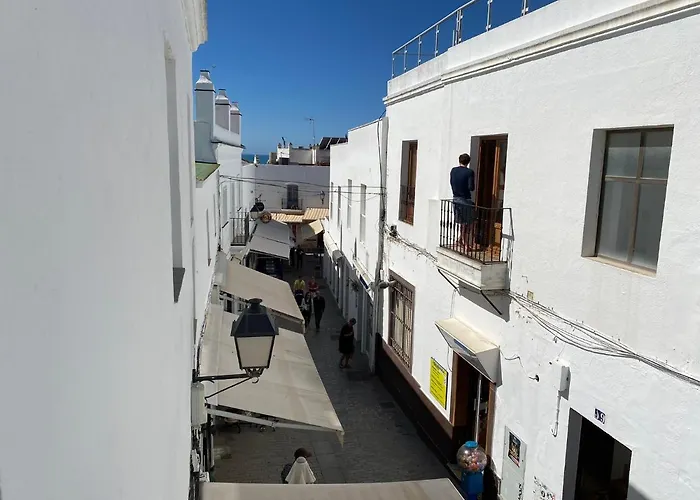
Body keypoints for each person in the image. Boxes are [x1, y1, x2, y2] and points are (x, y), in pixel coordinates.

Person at [450, 153, 476, 250]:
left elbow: (451, 182)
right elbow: (471, 187)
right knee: (470, 222)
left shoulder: (453, 170)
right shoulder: (469, 172)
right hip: (465, 199)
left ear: (459, 160)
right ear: (468, 162)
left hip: (455, 198)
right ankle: (465, 243)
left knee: (462, 222)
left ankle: (461, 240)